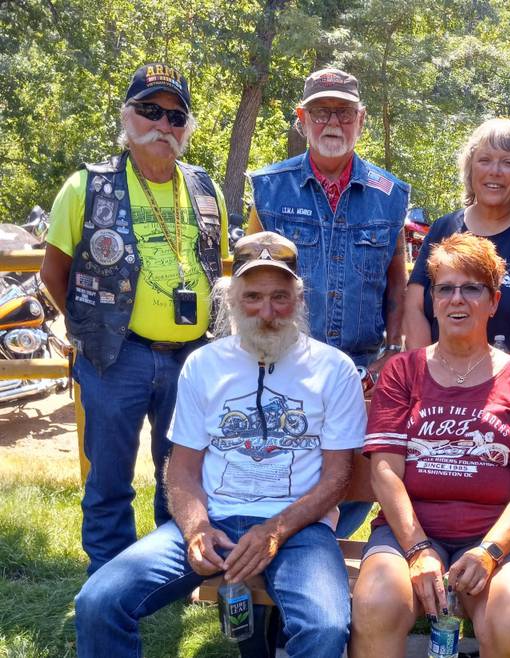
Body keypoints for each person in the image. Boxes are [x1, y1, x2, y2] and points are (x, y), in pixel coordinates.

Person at [73, 231, 366, 658]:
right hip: (215, 521)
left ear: (300, 300)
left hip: (299, 529)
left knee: (323, 629)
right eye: (252, 297)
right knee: (98, 601)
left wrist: (274, 531)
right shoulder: (203, 364)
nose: (267, 312)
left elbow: (338, 477)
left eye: (280, 297)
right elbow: (181, 468)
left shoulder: (333, 369)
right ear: (230, 301)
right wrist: (195, 530)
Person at [40, 63, 228, 575]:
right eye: (150, 110)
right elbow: (53, 273)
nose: (162, 124)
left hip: (192, 360)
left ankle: (170, 574)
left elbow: (218, 270)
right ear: (127, 115)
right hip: (114, 356)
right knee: (110, 478)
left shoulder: (207, 189)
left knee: (182, 474)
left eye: (175, 115)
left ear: (186, 127)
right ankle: (108, 578)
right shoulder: (86, 186)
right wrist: (87, 331)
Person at [351, 233, 510, 658]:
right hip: (408, 532)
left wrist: (489, 551)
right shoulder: (403, 371)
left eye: (471, 288)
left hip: (495, 534)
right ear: (433, 301)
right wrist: (418, 549)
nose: (456, 299)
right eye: (445, 288)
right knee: (375, 605)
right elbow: (384, 470)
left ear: (494, 301)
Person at [247, 66, 410, 537]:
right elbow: (245, 283)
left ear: (360, 119)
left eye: (342, 112)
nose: (332, 123)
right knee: (279, 477)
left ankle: (319, 556)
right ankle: (277, 584)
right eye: (320, 112)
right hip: (284, 365)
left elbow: (397, 285)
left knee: (353, 482)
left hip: (360, 371)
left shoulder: (390, 196)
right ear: (302, 118)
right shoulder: (269, 188)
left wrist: (392, 354)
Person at [404, 118, 510, 379]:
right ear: (470, 168)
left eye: (508, 162)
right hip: (441, 391)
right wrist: (427, 379)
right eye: (484, 160)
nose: (495, 171)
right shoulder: (443, 228)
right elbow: (415, 306)